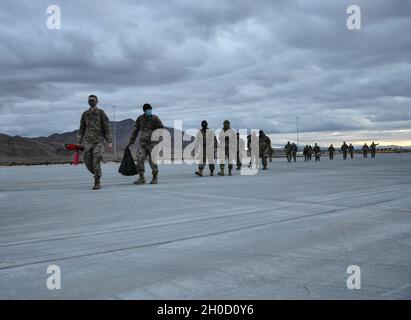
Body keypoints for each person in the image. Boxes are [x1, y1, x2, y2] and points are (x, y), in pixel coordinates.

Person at [78, 95, 113, 190]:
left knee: (96, 160)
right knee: (87, 161)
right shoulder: (85, 114)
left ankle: (97, 181)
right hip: (88, 142)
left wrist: (109, 141)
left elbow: (107, 128)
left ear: (97, 101)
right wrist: (79, 140)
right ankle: (98, 172)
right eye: (89, 100)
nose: (91, 102)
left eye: (93, 100)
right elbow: (82, 128)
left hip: (98, 142)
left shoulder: (101, 113)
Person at [127, 103, 164, 184]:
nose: (149, 111)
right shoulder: (140, 119)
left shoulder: (155, 118)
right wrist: (131, 141)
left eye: (150, 109)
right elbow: (135, 131)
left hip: (153, 143)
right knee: (139, 159)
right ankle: (141, 178)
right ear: (144, 110)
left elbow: (162, 128)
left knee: (152, 161)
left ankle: (155, 177)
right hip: (143, 143)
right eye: (148, 109)